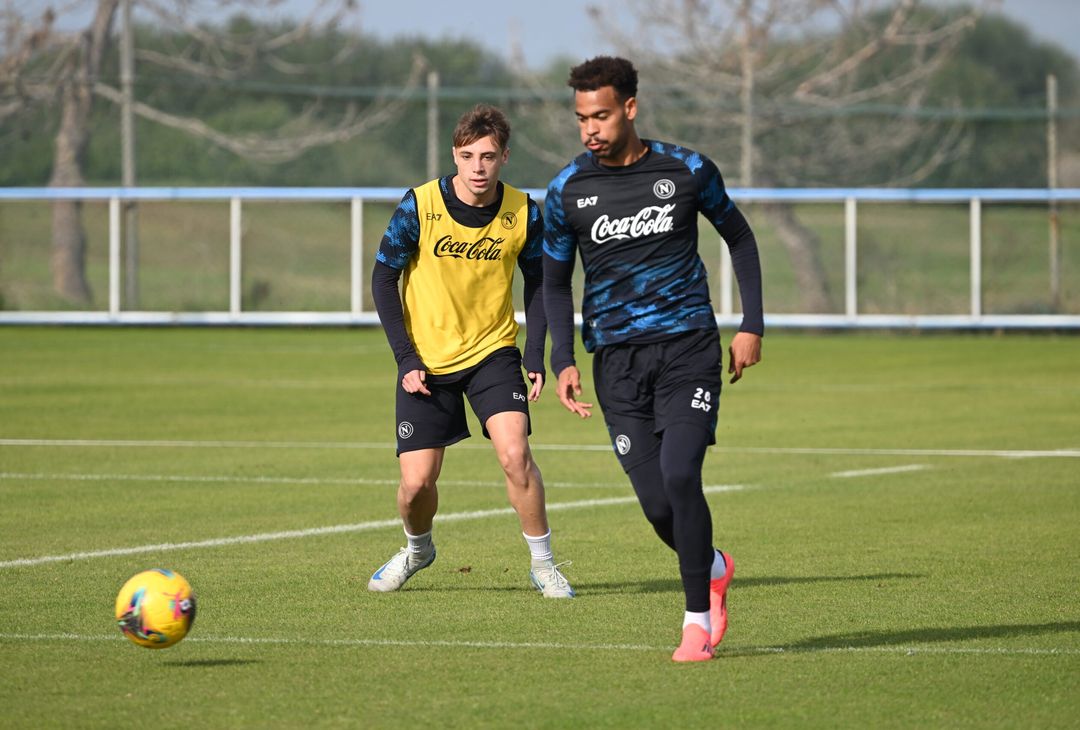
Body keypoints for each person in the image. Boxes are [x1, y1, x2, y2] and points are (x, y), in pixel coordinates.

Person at [543, 57, 763, 660]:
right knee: (657, 504)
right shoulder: (566, 190)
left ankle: (696, 622)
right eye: (582, 117)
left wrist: (752, 325)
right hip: (616, 364)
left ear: (630, 109)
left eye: (602, 114)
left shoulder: (687, 170)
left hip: (688, 348)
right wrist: (563, 358)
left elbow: (739, 237)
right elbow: (554, 283)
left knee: (681, 473)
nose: (590, 127)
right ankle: (713, 565)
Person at [368, 103, 573, 599]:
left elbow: (541, 283)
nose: (477, 167)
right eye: (467, 156)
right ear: (454, 156)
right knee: (417, 484)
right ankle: (418, 550)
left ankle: (544, 566)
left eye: (487, 156)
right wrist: (405, 359)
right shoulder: (420, 205)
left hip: (492, 353)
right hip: (426, 360)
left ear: (504, 156)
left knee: (514, 453)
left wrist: (535, 354)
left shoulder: (524, 212)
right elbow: (383, 277)